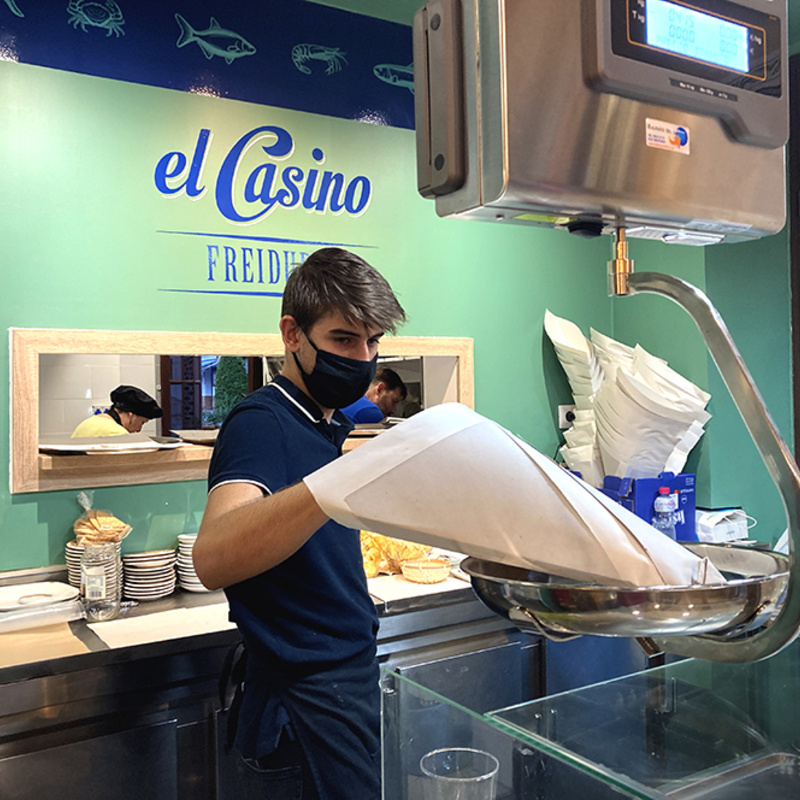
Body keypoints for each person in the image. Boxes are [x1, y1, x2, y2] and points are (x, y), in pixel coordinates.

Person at [193, 247, 406, 800]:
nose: (363, 357)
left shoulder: (326, 426)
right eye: (343, 340)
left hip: (342, 687)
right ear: (293, 334)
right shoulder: (262, 421)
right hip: (303, 705)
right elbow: (213, 556)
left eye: (373, 341)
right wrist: (333, 486)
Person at [71, 385, 163, 438]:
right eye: (142, 422)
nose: (139, 430)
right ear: (131, 415)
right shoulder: (118, 434)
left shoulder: (87, 423)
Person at [341, 367, 407, 423]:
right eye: (394, 401)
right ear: (380, 389)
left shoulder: (345, 399)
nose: (393, 411)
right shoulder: (368, 411)